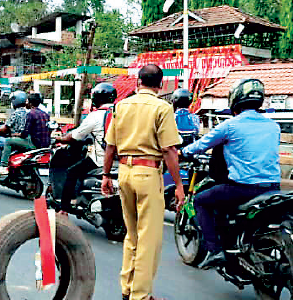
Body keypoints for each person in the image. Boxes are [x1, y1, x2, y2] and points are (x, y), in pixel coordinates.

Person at [102, 64, 184, 300]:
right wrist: (178, 185)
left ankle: (127, 288)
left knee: (132, 234)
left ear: (138, 82)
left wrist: (106, 175)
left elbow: (110, 146)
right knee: (149, 238)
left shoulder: (121, 106)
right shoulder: (162, 108)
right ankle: (141, 295)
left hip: (124, 173)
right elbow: (169, 149)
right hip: (148, 175)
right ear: (160, 85)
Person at [180, 78, 280, 270]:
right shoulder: (273, 126)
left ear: (235, 100)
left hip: (243, 189)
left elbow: (201, 145)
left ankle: (215, 250)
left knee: (201, 200)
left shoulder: (230, 126)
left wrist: (182, 152)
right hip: (273, 187)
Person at [54, 82, 116, 212]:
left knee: (71, 172)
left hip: (101, 160)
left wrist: (59, 138)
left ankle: (64, 209)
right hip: (121, 160)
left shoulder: (95, 115)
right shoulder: (122, 112)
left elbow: (74, 136)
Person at [0, 92, 50, 176]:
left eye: (27, 101)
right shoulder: (45, 114)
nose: (25, 103)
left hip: (33, 144)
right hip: (45, 145)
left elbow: (25, 133)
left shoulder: (31, 114)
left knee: (8, 141)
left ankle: (3, 166)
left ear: (30, 103)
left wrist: (16, 135)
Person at [0, 90, 28, 171]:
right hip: (23, 139)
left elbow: (5, 129)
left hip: (15, 140)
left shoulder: (15, 113)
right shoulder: (27, 112)